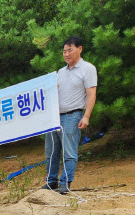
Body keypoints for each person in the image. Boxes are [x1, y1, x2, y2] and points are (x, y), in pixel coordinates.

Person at [43, 36, 97, 195]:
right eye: (64, 51)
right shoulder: (60, 72)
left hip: (72, 116)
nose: (66, 54)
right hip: (54, 118)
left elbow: (91, 94)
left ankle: (65, 182)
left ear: (79, 49)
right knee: (51, 151)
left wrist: (86, 116)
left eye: (70, 50)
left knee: (69, 152)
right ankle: (51, 181)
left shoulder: (88, 69)